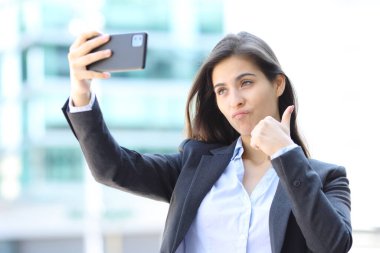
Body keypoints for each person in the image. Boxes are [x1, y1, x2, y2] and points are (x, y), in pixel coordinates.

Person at [63, 31, 352, 253]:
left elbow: (331, 245)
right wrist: (80, 89)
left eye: (246, 83)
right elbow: (112, 169)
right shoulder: (194, 166)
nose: (235, 99)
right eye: (222, 90)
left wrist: (285, 154)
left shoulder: (327, 178)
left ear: (278, 84)